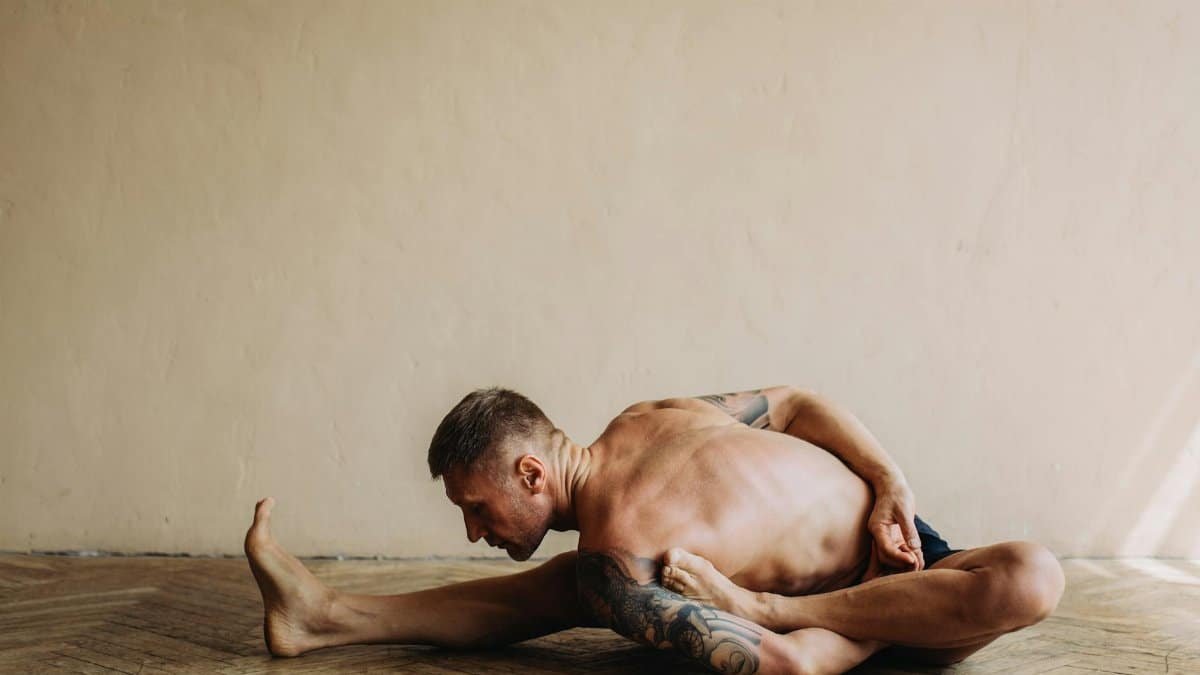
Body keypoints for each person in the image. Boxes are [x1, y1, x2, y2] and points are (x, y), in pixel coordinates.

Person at [245, 386, 1064, 674]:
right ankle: (325, 616)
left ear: (532, 472)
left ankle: (328, 616)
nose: (472, 531)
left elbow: (798, 403)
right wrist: (827, 604)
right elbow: (788, 665)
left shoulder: (649, 418)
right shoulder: (615, 565)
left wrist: (889, 481)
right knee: (1035, 579)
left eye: (477, 507)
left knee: (1034, 572)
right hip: (862, 598)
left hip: (904, 537)